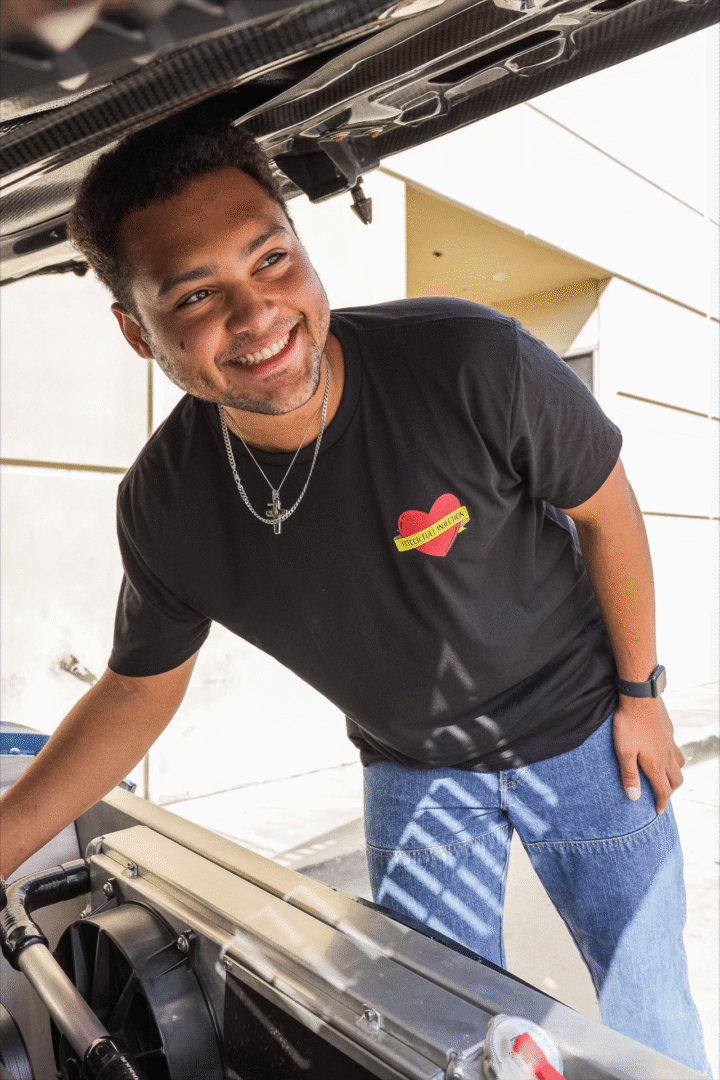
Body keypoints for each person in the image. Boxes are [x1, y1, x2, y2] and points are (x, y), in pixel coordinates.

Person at [0, 109, 710, 1075]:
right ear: (136, 330)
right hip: (414, 770)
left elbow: (608, 512)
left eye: (271, 260)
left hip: (587, 734)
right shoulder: (166, 505)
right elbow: (137, 689)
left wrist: (643, 694)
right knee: (435, 1037)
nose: (255, 317)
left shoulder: (469, 361)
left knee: (642, 1006)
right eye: (197, 294)